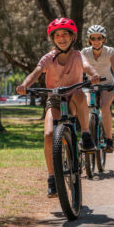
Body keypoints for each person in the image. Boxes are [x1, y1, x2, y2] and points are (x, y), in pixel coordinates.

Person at [16, 17, 101, 198]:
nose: (61, 38)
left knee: (80, 93)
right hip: (54, 99)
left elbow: (87, 67)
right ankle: (52, 178)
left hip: (73, 97)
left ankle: (86, 134)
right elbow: (36, 72)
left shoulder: (78, 55)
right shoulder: (48, 58)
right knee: (48, 135)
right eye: (57, 35)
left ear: (72, 37)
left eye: (65, 34)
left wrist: (94, 75)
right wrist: (24, 85)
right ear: (53, 39)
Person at [81, 25, 114, 153]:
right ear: (89, 40)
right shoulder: (84, 52)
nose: (96, 40)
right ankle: (86, 136)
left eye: (99, 38)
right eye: (93, 38)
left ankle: (109, 140)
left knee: (105, 107)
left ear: (104, 39)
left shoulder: (110, 51)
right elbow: (81, 68)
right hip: (90, 85)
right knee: (87, 107)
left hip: (107, 84)